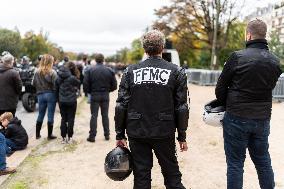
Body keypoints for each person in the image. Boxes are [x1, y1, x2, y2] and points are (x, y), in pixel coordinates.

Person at [115, 30, 189, 189]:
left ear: (144, 48)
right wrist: (182, 135)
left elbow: (121, 104)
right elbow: (182, 106)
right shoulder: (176, 72)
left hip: (137, 130)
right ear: (162, 47)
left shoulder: (130, 72)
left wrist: (119, 134)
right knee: (172, 175)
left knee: (141, 177)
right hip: (164, 130)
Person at [215, 19, 282, 189]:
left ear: (249, 35)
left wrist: (225, 105)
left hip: (236, 116)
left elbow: (221, 87)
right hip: (262, 118)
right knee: (263, 162)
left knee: (235, 164)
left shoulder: (237, 57)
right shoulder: (275, 61)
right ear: (264, 35)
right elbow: (270, 87)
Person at [83, 53, 117, 142]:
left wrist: (90, 92)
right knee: (105, 115)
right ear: (103, 60)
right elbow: (114, 85)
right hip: (105, 94)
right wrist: (108, 90)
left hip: (95, 94)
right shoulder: (109, 70)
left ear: (95, 60)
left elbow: (85, 84)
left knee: (94, 115)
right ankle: (107, 135)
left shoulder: (90, 70)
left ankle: (92, 136)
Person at [32, 54, 57, 140]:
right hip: (50, 94)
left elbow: (33, 83)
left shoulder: (36, 72)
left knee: (41, 114)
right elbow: (56, 84)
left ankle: (37, 134)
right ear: (51, 62)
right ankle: (50, 135)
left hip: (40, 95)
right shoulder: (52, 72)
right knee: (50, 114)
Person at [55, 62, 80, 144]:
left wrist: (57, 100)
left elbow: (56, 90)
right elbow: (79, 83)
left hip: (62, 101)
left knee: (63, 119)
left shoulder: (58, 78)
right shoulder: (72, 78)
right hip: (72, 100)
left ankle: (63, 138)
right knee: (71, 119)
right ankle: (70, 137)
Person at [0, 52, 22, 116]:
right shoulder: (14, 73)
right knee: (9, 123)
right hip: (10, 104)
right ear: (11, 62)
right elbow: (19, 87)